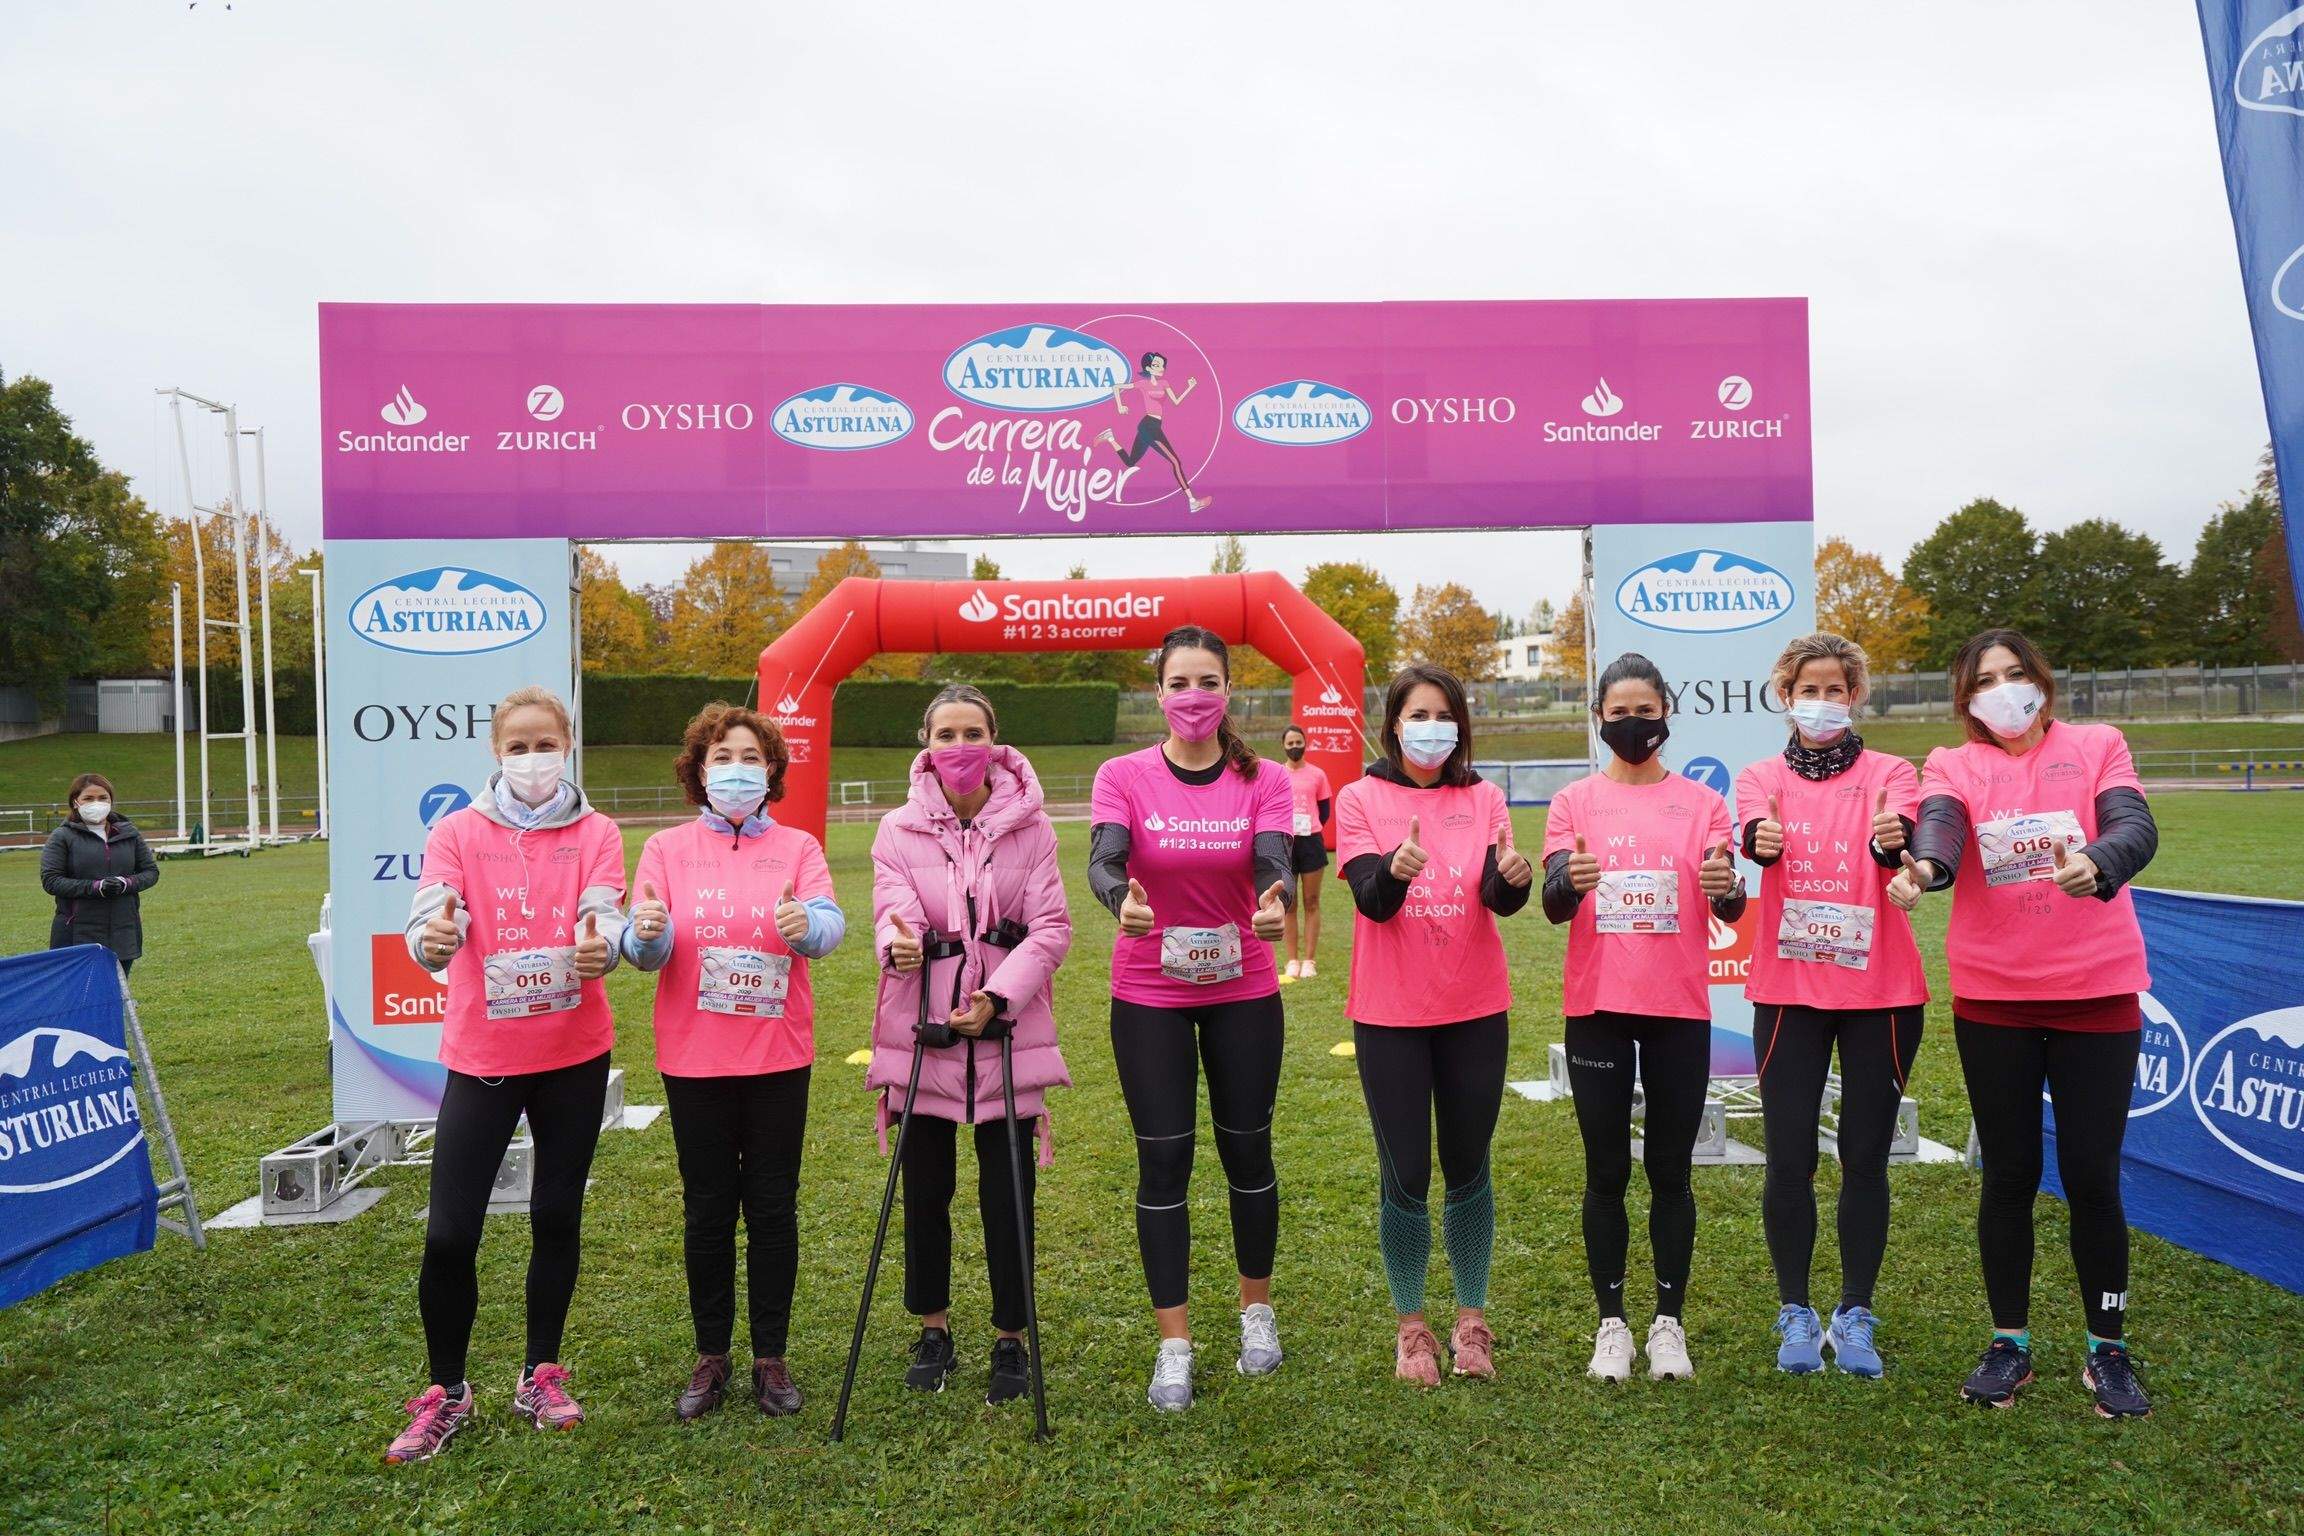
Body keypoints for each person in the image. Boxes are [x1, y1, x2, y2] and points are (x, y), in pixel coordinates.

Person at [1888, 627, 2159, 1419]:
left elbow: (2134, 826)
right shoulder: (1954, 762)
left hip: (2098, 994)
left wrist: (2102, 861)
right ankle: (2009, 1344)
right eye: (1983, 681)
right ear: (1965, 699)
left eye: (2014, 674)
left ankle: (2107, 1351)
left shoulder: (2098, 743)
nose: (2003, 690)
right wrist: (1927, 871)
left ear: (2041, 679)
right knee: (2007, 1176)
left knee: (2091, 1177)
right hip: (1995, 997)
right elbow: (1940, 829)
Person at [386, 687, 626, 1464]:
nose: (532, 757)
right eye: (517, 745)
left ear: (568, 744)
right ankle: (446, 1390)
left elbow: (607, 914)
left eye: (544, 742)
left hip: (573, 1056)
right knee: (451, 1231)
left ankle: (540, 1371)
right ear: (496, 752)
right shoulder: (457, 829)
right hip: (483, 1058)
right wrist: (432, 939)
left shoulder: (598, 831)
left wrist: (606, 948)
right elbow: (430, 918)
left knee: (556, 1219)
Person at [1088, 624, 1293, 1411]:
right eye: (1179, 683)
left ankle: (1257, 1313)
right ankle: (1174, 1343)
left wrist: (1272, 901)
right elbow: (1106, 857)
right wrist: (1122, 901)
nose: (1194, 697)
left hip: (1243, 987)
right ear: (1158, 692)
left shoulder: (1263, 776)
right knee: (1164, 1160)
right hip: (1150, 992)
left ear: (1229, 691)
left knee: (1248, 1151)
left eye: (1208, 682)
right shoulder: (1123, 774)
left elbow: (1273, 858)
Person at [621, 703, 844, 1423]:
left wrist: (804, 925)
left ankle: (770, 1358)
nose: (736, 769)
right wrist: (645, 934)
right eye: (721, 757)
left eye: (749, 756)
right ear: (699, 771)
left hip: (778, 1055)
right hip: (694, 1057)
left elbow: (830, 927)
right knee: (709, 1208)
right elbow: (642, 947)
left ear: (771, 769)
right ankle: (711, 1354)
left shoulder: (800, 847)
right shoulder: (664, 850)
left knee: (774, 1207)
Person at [1541, 653, 1745, 1385]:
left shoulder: (1702, 805)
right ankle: (1612, 1325)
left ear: (1666, 715)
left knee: (1670, 1171)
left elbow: (1729, 900)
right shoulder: (1574, 802)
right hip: (1597, 1007)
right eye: (1619, 712)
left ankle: (1668, 1324)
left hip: (1677, 1009)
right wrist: (1570, 878)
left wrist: (1727, 891)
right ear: (1598, 719)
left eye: (1645, 711)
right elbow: (1553, 903)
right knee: (1605, 1171)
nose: (1633, 724)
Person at [867, 685, 1072, 1405]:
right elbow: (890, 914)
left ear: (994, 739)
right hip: (924, 1032)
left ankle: (1010, 1340)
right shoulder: (895, 829)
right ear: (925, 742)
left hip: (1007, 1032)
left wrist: (998, 996)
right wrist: (900, 944)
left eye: (972, 732)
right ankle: (934, 1328)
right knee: (926, 1190)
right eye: (945, 733)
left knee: (1009, 1192)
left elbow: (1050, 927)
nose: (959, 746)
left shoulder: (1035, 828)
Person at [1733, 633, 1926, 1379]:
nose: (1822, 702)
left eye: (1836, 690)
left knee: (1865, 1159)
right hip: (1789, 995)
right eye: (1808, 689)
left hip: (1883, 995)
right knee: (1788, 1159)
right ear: (1786, 696)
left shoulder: (1892, 773)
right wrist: (1762, 840)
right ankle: (1795, 1310)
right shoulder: (1758, 776)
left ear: (1856, 697)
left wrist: (1891, 841)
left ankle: (1855, 1311)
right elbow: (1755, 839)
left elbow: (1901, 844)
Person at [1333, 665, 1531, 1385]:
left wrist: (1514, 879)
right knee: (1407, 1173)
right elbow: (1370, 900)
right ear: (1393, 724)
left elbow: (1497, 891)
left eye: (1445, 714)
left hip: (1476, 1008)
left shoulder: (1484, 795)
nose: (1433, 727)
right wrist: (1394, 868)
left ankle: (1472, 1317)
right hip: (1390, 1016)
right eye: (1419, 713)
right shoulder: (1358, 796)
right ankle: (1412, 1326)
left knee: (1470, 1165)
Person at [42, 772, 159, 975]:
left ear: (111, 801)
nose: (96, 803)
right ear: (75, 802)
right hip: (77, 932)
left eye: (102, 798)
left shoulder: (129, 833)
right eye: (88, 798)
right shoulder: (62, 837)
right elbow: (51, 881)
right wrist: (95, 887)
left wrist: (126, 883)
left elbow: (150, 872)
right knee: (80, 996)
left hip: (123, 930)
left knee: (116, 993)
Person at [1094, 351, 1212, 512]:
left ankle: (1110, 438)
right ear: (1148, 368)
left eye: (1162, 365)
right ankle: (1192, 501)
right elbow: (1116, 387)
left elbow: (1176, 401)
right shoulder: (1143, 384)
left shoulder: (1164, 383)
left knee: (1130, 462)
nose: (1161, 367)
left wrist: (1189, 387)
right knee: (1175, 462)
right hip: (1148, 426)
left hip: (1153, 426)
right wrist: (1119, 405)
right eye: (1157, 365)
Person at [1275, 724, 1331, 983]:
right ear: (1284, 746)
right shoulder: (1276, 774)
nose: (1295, 747)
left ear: (1305, 744)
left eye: (1299, 742)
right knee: (1289, 904)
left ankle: (1309, 960)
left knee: (1311, 902)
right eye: (1290, 743)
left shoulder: (1317, 774)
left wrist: (1309, 826)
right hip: (1285, 844)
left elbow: (1324, 811)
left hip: (1311, 842)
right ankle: (1292, 961)